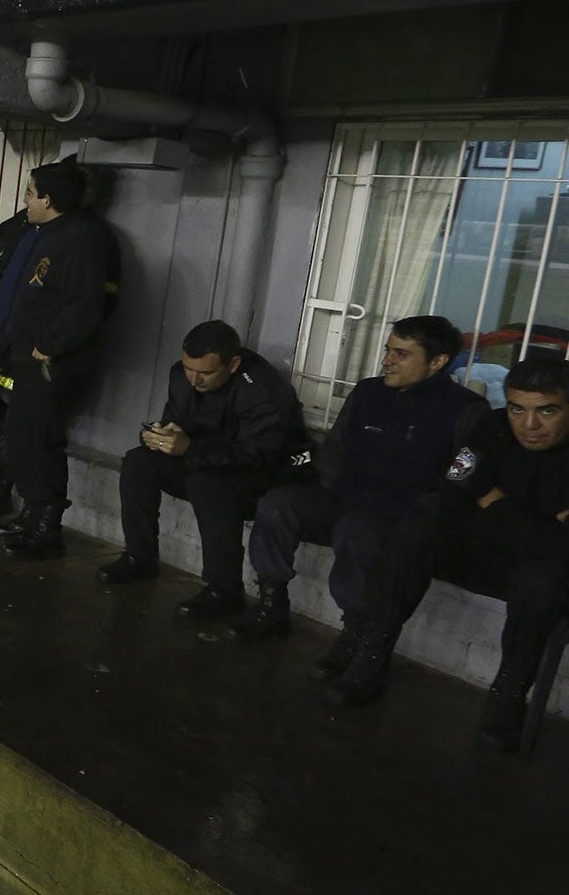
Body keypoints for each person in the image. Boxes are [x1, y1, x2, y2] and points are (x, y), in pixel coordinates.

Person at [332, 357, 569, 751]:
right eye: (517, 409)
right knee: (417, 532)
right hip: (487, 556)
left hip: (543, 575)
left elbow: (559, 548)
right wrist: (531, 525)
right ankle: (371, 656)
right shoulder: (492, 428)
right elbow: (452, 497)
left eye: (547, 411)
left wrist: (491, 500)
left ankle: (508, 696)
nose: (529, 425)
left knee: (540, 582)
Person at [230, 316, 485, 657]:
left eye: (401, 354)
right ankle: (271, 605)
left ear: (436, 362)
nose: (386, 361)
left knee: (357, 529)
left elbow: (459, 480)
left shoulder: (465, 409)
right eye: (387, 350)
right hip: (346, 498)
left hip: (401, 515)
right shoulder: (368, 392)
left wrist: (407, 509)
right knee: (279, 504)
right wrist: (338, 488)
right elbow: (333, 451)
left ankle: (357, 633)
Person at [0, 159, 116, 557]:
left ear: (48, 198)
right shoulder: (45, 232)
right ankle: (30, 516)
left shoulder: (83, 239)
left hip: (52, 360)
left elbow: (85, 306)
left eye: (29, 192)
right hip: (28, 354)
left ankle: (46, 528)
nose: (25, 200)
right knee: (23, 440)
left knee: (40, 441)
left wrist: (51, 343)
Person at [96, 320, 311, 618]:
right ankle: (139, 556)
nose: (194, 379)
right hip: (207, 462)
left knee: (208, 484)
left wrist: (189, 448)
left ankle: (224, 590)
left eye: (206, 373)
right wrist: (159, 437)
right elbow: (177, 422)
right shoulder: (181, 376)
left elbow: (256, 455)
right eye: (188, 368)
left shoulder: (262, 391)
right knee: (139, 462)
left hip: (265, 476)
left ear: (233, 364)